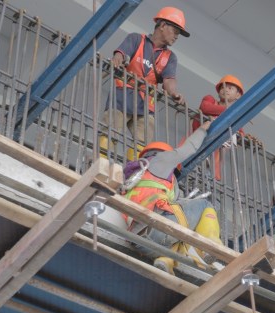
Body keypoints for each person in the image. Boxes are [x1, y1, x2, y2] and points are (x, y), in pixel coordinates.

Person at [122, 120, 222, 275]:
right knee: (204, 205)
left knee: (180, 227)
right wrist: (202, 130)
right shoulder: (160, 160)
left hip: (139, 240)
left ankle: (165, 261)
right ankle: (211, 246)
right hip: (156, 228)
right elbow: (188, 148)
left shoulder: (135, 179)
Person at [101, 6, 189, 160]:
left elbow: (169, 80)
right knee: (111, 131)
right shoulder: (136, 39)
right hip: (122, 95)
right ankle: (100, 163)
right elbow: (121, 54)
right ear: (162, 26)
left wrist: (174, 93)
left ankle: (132, 173)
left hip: (146, 104)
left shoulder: (170, 57)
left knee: (142, 143)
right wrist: (117, 59)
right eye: (175, 31)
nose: (176, 36)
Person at [191, 75, 246, 180]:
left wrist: (247, 137)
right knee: (192, 169)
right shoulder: (210, 99)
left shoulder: (234, 116)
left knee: (206, 177)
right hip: (198, 142)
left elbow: (241, 133)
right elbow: (205, 107)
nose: (225, 89)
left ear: (238, 95)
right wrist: (229, 111)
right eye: (222, 87)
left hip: (213, 153)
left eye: (230, 88)